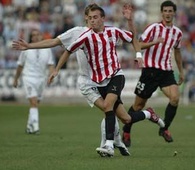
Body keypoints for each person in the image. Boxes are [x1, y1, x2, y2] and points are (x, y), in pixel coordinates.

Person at [47, 4, 164, 157]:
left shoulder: (113, 31)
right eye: (89, 18)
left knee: (107, 106)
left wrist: (138, 54)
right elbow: (68, 51)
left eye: (95, 17)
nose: (92, 21)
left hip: (116, 75)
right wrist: (56, 69)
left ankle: (109, 145)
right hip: (98, 81)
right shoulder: (85, 36)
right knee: (126, 118)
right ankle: (149, 114)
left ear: (103, 18)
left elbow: (132, 38)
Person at [122, 0, 184, 147]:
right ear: (161, 12)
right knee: (138, 106)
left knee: (175, 98)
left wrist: (181, 71)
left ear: (174, 13)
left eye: (170, 11)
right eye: (166, 11)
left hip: (166, 71)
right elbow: (138, 44)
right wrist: (154, 42)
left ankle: (164, 128)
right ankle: (126, 131)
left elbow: (178, 51)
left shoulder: (177, 33)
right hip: (150, 71)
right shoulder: (153, 28)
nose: (168, 14)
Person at [13, 29, 55, 134]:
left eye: (38, 35)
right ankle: (36, 127)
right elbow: (20, 65)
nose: (36, 37)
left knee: (36, 103)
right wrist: (16, 79)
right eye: (33, 35)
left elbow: (50, 64)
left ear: (41, 36)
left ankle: (29, 126)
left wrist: (51, 75)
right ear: (31, 37)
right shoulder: (26, 49)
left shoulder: (47, 50)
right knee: (33, 102)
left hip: (41, 78)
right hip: (29, 77)